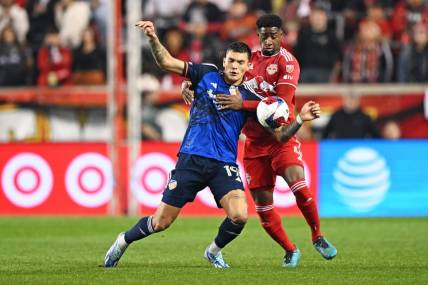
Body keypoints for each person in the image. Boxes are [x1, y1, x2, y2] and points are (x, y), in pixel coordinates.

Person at [104, 20, 320, 269]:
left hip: (223, 164)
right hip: (192, 159)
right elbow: (167, 62)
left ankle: (213, 251)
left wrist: (301, 119)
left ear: (249, 66)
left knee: (240, 215)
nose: (235, 66)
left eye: (241, 62)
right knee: (160, 222)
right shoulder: (205, 74)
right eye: (231, 61)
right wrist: (153, 38)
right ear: (224, 61)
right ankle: (123, 240)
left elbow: (281, 136)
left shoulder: (253, 101)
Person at [183, 14, 336, 268]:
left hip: (281, 138)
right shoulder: (249, 60)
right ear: (258, 35)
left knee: (300, 186)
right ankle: (290, 249)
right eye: (263, 34)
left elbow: (283, 107)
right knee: (264, 209)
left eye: (273, 34)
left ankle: (317, 235)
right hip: (254, 143)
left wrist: (243, 104)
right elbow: (221, 75)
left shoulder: (288, 64)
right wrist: (190, 81)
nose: (268, 39)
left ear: (282, 35)